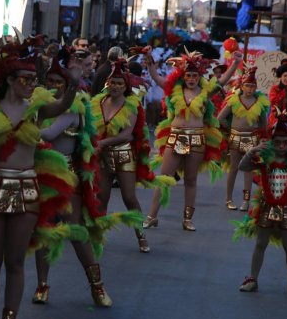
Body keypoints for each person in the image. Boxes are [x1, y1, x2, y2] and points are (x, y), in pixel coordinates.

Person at [0, 46, 82, 319]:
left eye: (34, 80)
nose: (33, 85)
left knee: (16, 261)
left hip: (26, 187)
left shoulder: (36, 108)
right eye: (26, 79)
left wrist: (74, 81)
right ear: (9, 79)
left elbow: (63, 105)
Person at [31, 53, 112, 307]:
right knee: (43, 231)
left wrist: (24, 123)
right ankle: (42, 285)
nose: (55, 85)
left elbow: (49, 134)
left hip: (67, 178)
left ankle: (97, 287)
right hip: (42, 175)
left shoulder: (74, 107)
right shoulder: (37, 103)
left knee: (76, 232)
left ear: (67, 85)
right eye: (51, 80)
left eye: (59, 81)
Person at [143, 50, 239, 231]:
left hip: (196, 138)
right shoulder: (174, 89)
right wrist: (150, 64)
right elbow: (157, 78)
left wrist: (235, 63)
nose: (192, 78)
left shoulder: (205, 92)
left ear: (199, 76)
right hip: (177, 136)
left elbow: (222, 81)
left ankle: (187, 220)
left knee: (191, 180)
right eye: (188, 75)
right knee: (164, 178)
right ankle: (151, 216)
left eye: (195, 75)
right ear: (183, 76)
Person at [91, 59, 174, 251]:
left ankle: (141, 235)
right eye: (113, 82)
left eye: (120, 83)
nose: (115, 86)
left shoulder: (132, 104)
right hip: (103, 156)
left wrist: (101, 143)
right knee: (101, 197)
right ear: (107, 83)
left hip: (124, 155)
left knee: (129, 198)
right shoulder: (99, 102)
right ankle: (98, 235)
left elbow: (126, 134)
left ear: (126, 86)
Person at [234, 111, 287, 295]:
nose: (281, 146)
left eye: (285, 143)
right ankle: (253, 279)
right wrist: (252, 151)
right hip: (266, 206)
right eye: (277, 142)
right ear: (272, 142)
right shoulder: (264, 158)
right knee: (260, 244)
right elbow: (242, 167)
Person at [218, 66, 269, 211]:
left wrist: (261, 138)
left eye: (252, 86)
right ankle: (229, 199)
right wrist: (229, 129)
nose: (249, 89)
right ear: (242, 86)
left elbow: (263, 125)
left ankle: (246, 201)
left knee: (248, 170)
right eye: (247, 85)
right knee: (233, 168)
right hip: (235, 137)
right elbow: (220, 117)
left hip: (251, 140)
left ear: (256, 88)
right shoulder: (234, 100)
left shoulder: (260, 102)